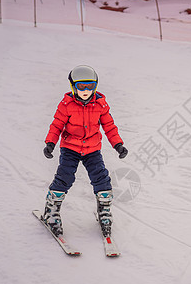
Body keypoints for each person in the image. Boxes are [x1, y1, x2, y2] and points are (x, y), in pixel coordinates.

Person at [42, 65, 128, 237]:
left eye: (90, 85)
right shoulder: (66, 105)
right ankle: (51, 211)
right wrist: (50, 142)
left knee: (101, 179)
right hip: (70, 148)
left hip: (92, 149)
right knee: (64, 177)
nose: (86, 90)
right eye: (81, 86)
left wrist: (118, 144)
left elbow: (109, 127)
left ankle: (104, 211)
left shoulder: (100, 105)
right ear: (73, 85)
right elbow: (57, 125)